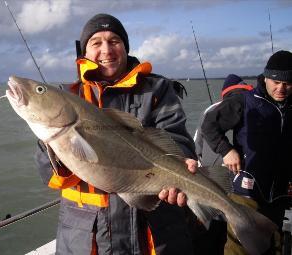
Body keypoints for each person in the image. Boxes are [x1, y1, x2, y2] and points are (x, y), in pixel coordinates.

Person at [35, 13, 198, 255]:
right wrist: (53, 145)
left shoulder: (157, 89)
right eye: (96, 42)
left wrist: (182, 164)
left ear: (125, 47)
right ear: (84, 52)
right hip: (86, 238)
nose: (106, 50)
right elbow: (49, 174)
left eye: (114, 41)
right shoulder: (68, 97)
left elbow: (176, 137)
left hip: (155, 232)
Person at [201, 50, 292, 254]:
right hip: (246, 192)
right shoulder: (244, 101)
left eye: (288, 83)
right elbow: (209, 125)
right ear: (266, 77)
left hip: (278, 194)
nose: (281, 88)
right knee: (240, 248)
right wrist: (226, 150)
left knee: (274, 245)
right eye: (276, 82)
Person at [193, 74, 253, 254]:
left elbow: (197, 148)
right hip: (241, 186)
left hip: (210, 182)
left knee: (211, 236)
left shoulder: (210, 111)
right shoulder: (254, 108)